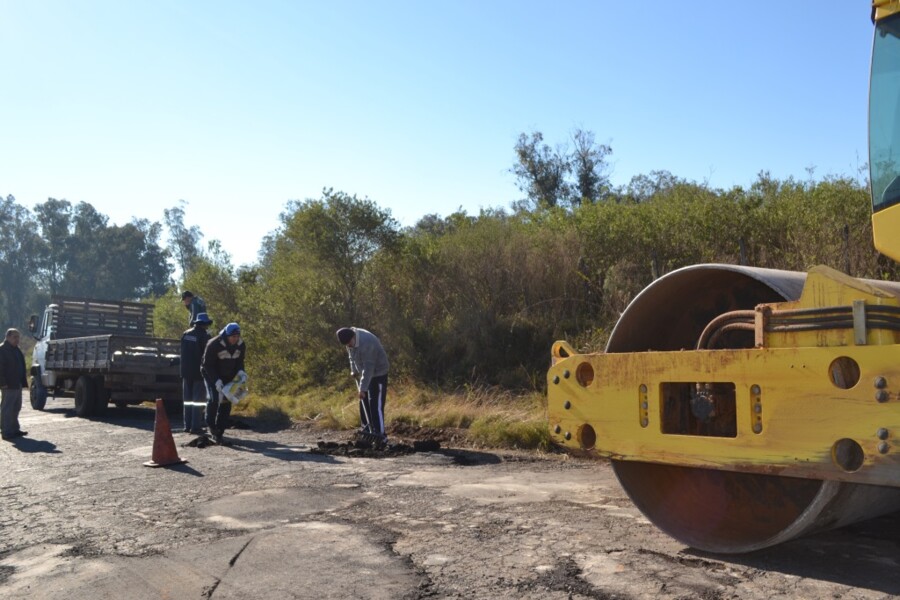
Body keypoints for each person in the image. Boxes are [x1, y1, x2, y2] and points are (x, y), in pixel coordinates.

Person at [336, 327, 389, 444]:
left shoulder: (367, 342)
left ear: (353, 337)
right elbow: (351, 355)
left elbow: (369, 368)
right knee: (363, 401)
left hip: (378, 373)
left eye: (349, 343)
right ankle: (367, 430)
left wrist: (363, 389)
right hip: (366, 373)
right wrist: (354, 370)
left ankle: (381, 435)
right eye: (347, 344)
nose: (348, 346)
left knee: (375, 404)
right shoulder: (349, 339)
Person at [201, 322, 246, 445]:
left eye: (237, 336)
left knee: (227, 401)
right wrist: (216, 380)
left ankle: (219, 432)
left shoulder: (241, 344)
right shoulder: (213, 344)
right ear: (226, 335)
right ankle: (211, 425)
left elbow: (240, 361)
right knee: (214, 399)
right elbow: (207, 365)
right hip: (211, 374)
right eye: (233, 336)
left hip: (229, 376)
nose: (235, 339)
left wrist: (241, 372)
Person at [180, 312, 213, 435]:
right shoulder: (205, 336)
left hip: (185, 372)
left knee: (187, 400)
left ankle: (187, 426)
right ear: (204, 324)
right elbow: (208, 355)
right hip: (198, 373)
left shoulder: (186, 334)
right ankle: (196, 427)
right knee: (198, 401)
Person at [0, 328, 28, 441]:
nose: (17, 339)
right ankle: (6, 432)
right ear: (7, 337)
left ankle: (15, 429)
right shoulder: (2, 349)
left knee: (16, 407)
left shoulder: (16, 349)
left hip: (17, 383)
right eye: (14, 337)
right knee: (7, 409)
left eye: (18, 337)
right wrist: (3, 383)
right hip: (8, 384)